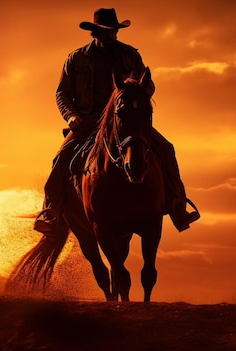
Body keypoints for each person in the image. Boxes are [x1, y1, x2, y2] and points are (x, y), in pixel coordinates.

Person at [34, 8, 200, 234]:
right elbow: (62, 93)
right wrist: (72, 116)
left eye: (114, 31)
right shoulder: (76, 58)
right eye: (106, 31)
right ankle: (51, 211)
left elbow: (148, 86)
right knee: (61, 157)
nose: (111, 35)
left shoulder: (131, 55)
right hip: (88, 120)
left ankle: (178, 207)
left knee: (166, 149)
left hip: (126, 119)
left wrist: (135, 92)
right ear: (95, 33)